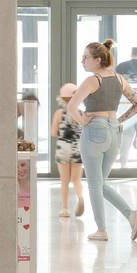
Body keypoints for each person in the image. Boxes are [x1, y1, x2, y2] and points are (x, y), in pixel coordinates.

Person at [69, 38, 137, 242]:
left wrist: (82, 120)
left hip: (95, 130)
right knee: (101, 182)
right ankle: (130, 215)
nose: (82, 61)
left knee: (94, 184)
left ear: (97, 60)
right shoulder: (120, 78)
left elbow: (71, 107)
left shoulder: (93, 80)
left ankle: (102, 229)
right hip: (114, 131)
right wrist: (119, 120)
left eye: (85, 57)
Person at [51, 83, 85, 220]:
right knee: (76, 179)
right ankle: (80, 197)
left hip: (63, 149)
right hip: (78, 148)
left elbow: (54, 133)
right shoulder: (82, 113)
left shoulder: (59, 113)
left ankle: (64, 209)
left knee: (64, 180)